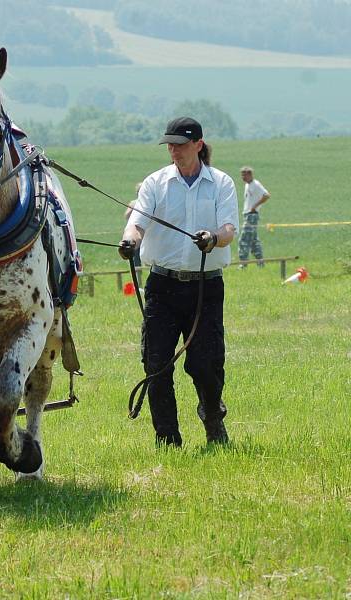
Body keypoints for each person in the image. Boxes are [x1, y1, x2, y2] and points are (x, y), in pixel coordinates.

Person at [118, 117, 239, 447]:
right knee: (155, 364)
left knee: (205, 364)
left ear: (198, 145)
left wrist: (213, 238)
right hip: (162, 286)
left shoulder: (221, 183)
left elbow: (229, 231)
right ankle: (167, 438)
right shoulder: (155, 183)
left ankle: (213, 418)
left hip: (206, 287)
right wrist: (129, 241)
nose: (173, 150)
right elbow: (137, 224)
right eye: (169, 145)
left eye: (180, 145)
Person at [237, 166, 270, 268]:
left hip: (252, 216)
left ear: (250, 174)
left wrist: (255, 206)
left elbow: (266, 195)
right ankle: (261, 264)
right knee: (254, 241)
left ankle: (243, 264)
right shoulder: (248, 185)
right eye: (242, 175)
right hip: (248, 215)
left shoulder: (255, 184)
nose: (243, 177)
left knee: (244, 240)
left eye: (244, 175)